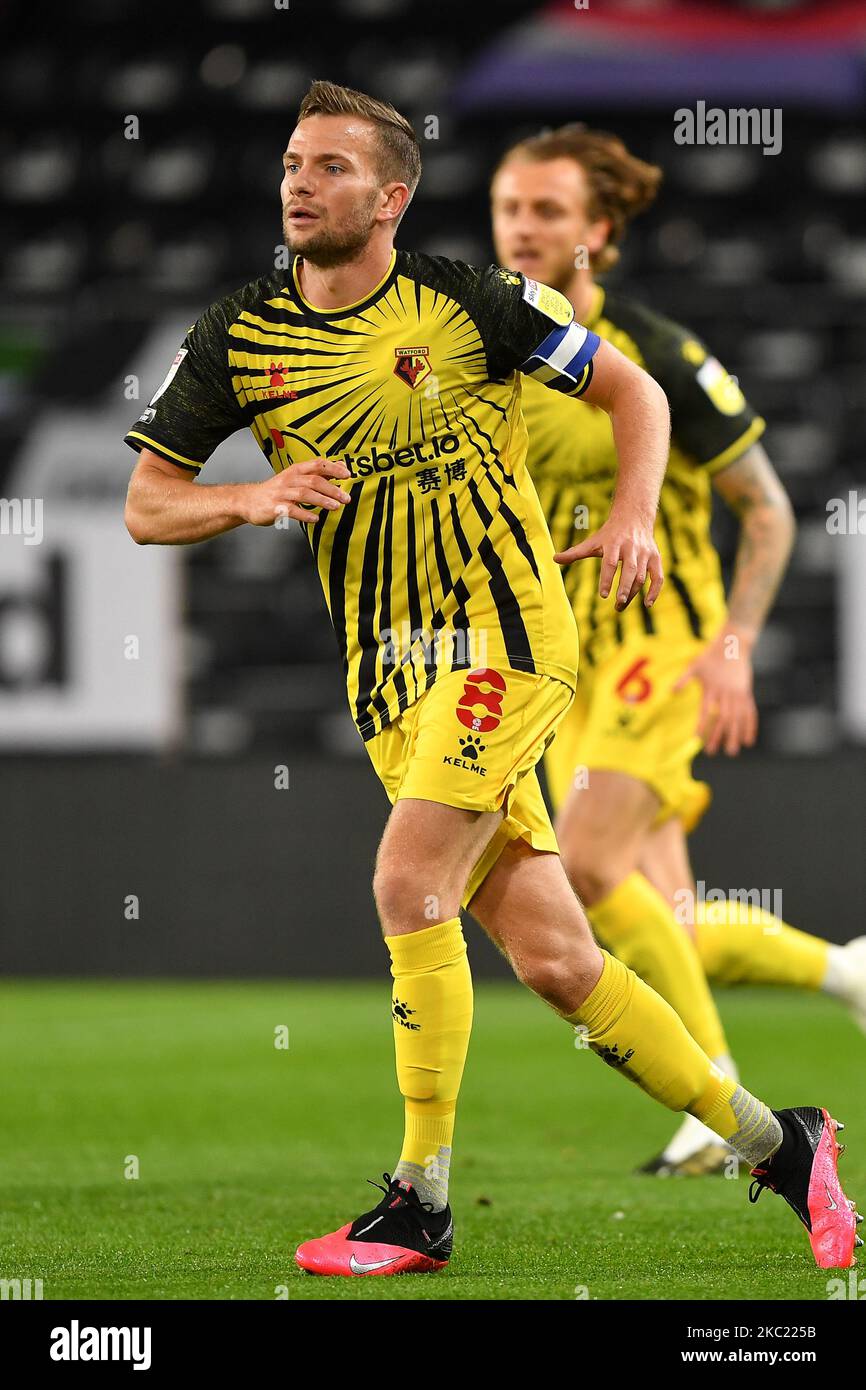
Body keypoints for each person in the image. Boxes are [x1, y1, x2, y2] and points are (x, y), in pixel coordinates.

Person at [124, 82, 858, 1275]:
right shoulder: (237, 336)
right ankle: (782, 1143)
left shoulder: (471, 303)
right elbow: (148, 505)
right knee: (562, 963)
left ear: (390, 197)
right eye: (291, 164)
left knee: (407, 880)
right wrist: (251, 495)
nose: (298, 184)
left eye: (329, 167)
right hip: (387, 675)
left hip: (507, 638)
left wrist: (629, 517)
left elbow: (633, 390)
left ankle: (418, 1200)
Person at [491, 124, 866, 1177]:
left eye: (548, 211)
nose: (523, 228)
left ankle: (714, 1099)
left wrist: (732, 647)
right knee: (661, 915)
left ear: (595, 233)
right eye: (510, 209)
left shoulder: (656, 356)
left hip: (656, 641)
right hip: (561, 661)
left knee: (593, 865)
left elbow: (770, 511)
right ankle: (845, 974)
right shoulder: (480, 350)